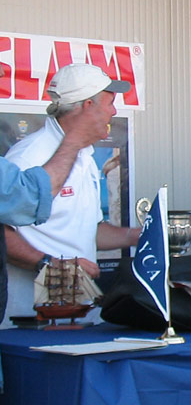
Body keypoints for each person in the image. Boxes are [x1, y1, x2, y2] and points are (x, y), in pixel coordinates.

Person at [1, 63, 141, 328]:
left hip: (80, 315)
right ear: (88, 105)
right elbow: (2, 235)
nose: (114, 111)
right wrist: (52, 265)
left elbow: (87, 230)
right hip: (31, 321)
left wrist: (140, 236)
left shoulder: (84, 156)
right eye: (110, 103)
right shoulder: (29, 155)